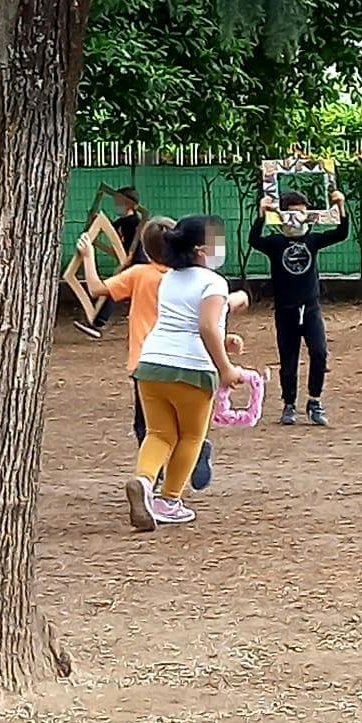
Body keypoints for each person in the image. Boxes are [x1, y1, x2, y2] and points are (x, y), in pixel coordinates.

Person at [80, 216, 221, 491]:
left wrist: (88, 256)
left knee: (149, 427)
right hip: (189, 360)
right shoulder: (191, 279)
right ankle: (192, 456)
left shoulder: (139, 274)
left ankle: (151, 477)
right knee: (189, 425)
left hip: (147, 360)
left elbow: (97, 289)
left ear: (145, 249)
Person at [126, 215, 239, 531]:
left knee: (159, 433)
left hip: (150, 364)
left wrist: (224, 338)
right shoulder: (214, 282)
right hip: (192, 369)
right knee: (191, 435)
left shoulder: (169, 279)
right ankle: (169, 500)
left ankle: (144, 481)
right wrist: (226, 368)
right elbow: (204, 326)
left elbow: (187, 322)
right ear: (201, 249)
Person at [250, 186, 351, 427]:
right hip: (286, 308)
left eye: (302, 213)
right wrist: (262, 213)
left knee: (319, 352)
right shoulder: (276, 243)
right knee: (289, 357)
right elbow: (254, 240)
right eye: (293, 213)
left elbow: (341, 233)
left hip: (310, 306)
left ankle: (314, 401)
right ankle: (289, 404)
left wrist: (340, 206)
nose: (298, 218)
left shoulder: (312, 240)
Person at [75, 185, 144, 340]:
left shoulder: (136, 224)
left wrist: (127, 262)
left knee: (112, 290)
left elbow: (136, 248)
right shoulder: (121, 222)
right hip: (128, 263)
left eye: (119, 202)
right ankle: (97, 323)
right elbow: (106, 231)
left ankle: (97, 323)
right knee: (114, 291)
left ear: (130, 204)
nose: (116, 205)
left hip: (138, 263)